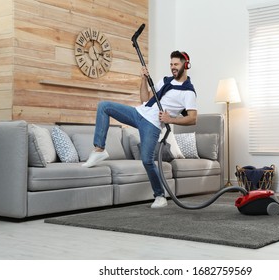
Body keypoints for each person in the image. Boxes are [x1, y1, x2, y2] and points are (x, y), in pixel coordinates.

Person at [82, 51, 198, 208]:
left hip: (152, 125)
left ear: (186, 64)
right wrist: (143, 79)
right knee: (104, 106)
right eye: (171, 64)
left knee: (146, 160)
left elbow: (192, 118)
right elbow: (144, 99)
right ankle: (99, 149)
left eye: (176, 64)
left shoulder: (188, 92)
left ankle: (160, 196)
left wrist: (170, 119)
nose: (172, 67)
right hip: (138, 113)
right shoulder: (165, 80)